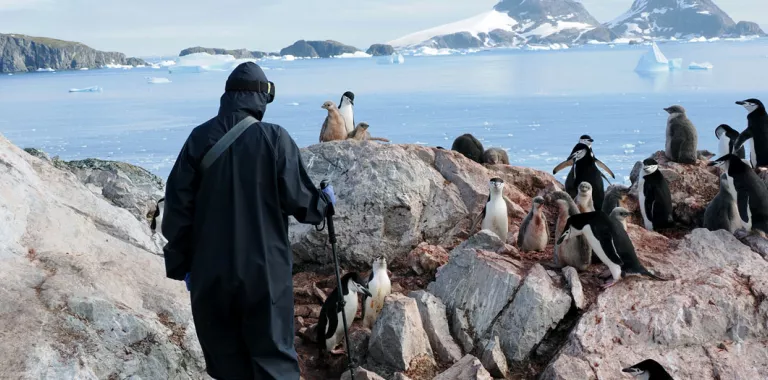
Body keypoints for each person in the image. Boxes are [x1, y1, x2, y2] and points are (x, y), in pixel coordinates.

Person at [161, 61, 335, 380]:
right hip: (264, 277)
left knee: (227, 366)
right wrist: (324, 203)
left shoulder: (198, 139)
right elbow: (302, 203)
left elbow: (176, 212)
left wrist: (184, 266)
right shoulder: (275, 139)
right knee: (273, 363)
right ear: (262, 98)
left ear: (227, 96)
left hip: (209, 277)